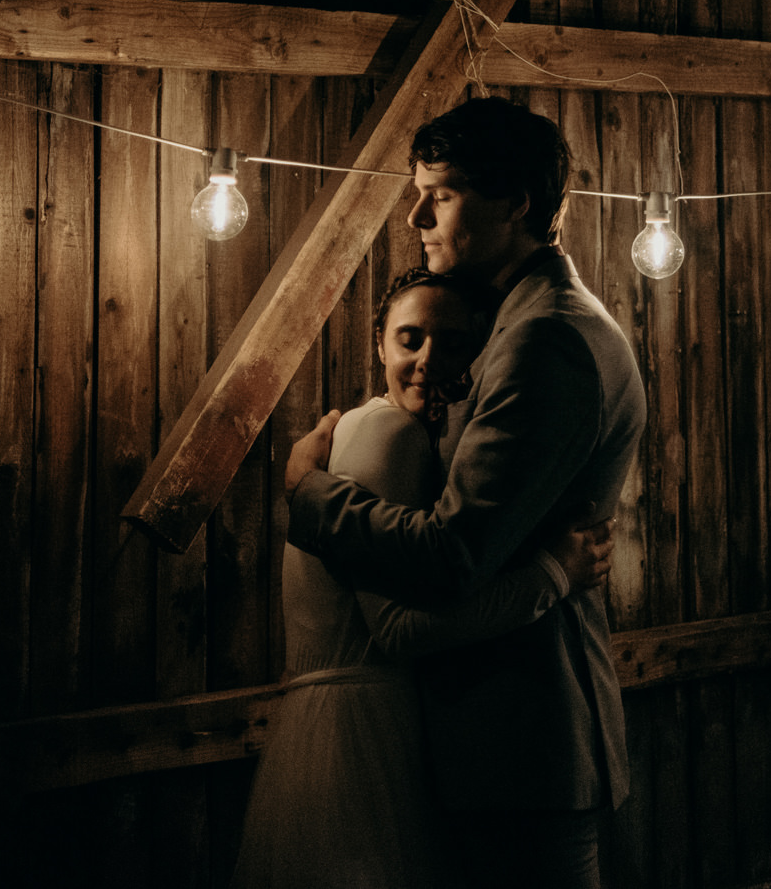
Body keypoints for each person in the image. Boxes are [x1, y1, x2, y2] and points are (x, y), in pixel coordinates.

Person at [284, 95, 648, 889]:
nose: (416, 212)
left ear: (516, 201)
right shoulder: (532, 323)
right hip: (507, 739)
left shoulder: (543, 338)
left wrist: (308, 494)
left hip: (519, 738)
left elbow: (451, 554)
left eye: (441, 192)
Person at [231, 266, 612, 889]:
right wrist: (553, 575)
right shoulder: (390, 433)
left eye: (454, 343)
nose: (429, 359)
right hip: (362, 734)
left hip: (334, 722)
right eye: (411, 339)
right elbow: (400, 632)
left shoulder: (374, 434)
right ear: (379, 344)